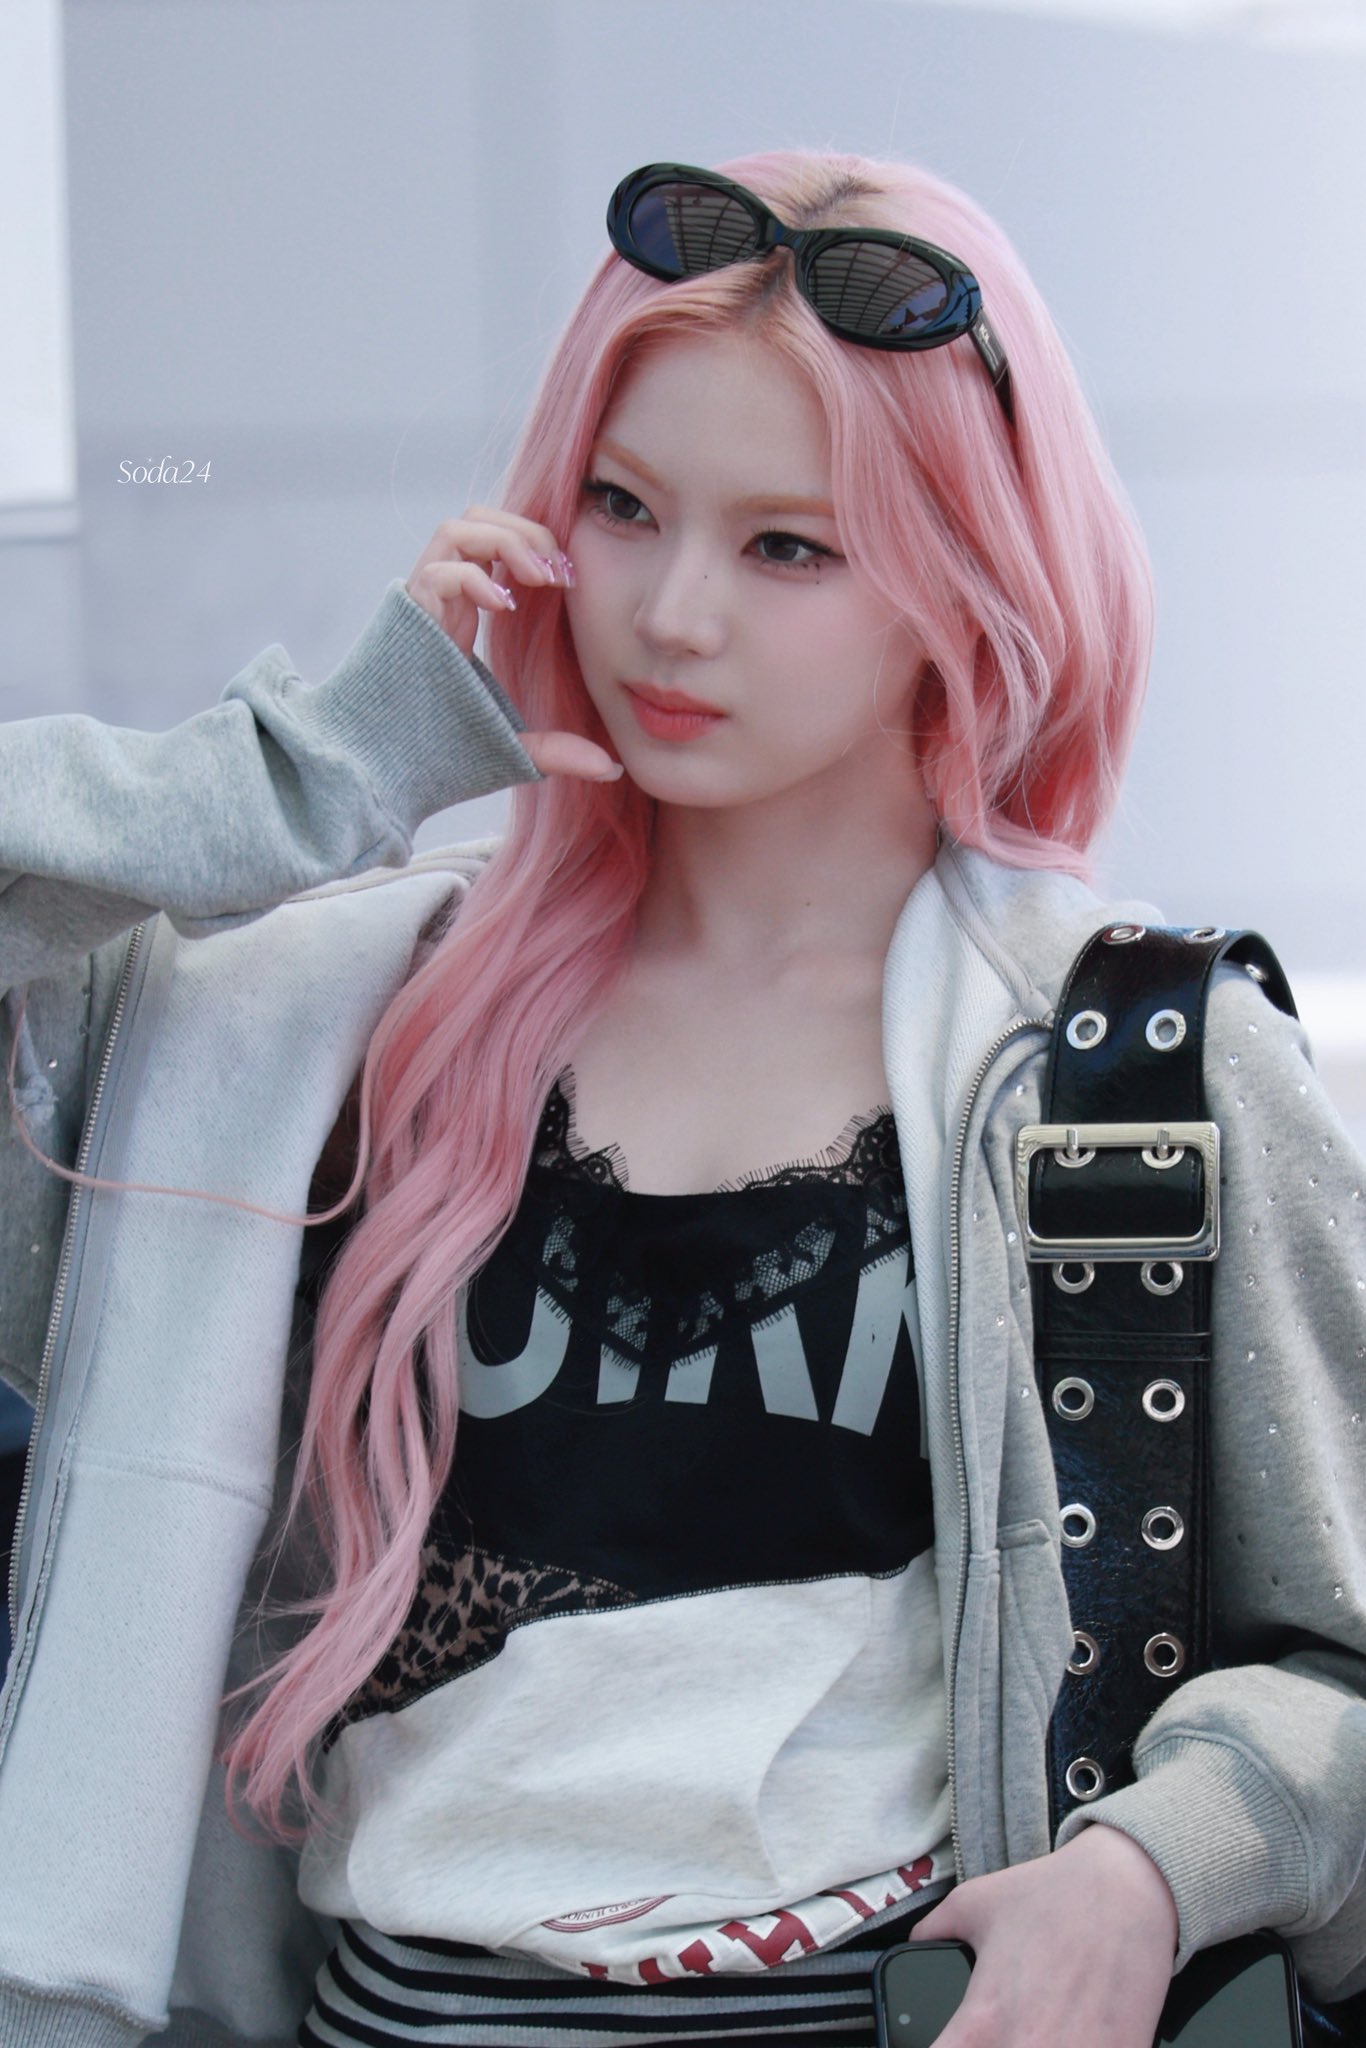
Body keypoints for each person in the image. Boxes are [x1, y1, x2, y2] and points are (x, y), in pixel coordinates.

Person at [0, 151, 1362, 2048]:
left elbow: (1341, 1665)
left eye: (787, 547)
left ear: (963, 577)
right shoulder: (317, 1034)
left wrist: (1153, 1870)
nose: (671, 613)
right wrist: (316, 769)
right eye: (621, 508)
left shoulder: (1129, 1069)